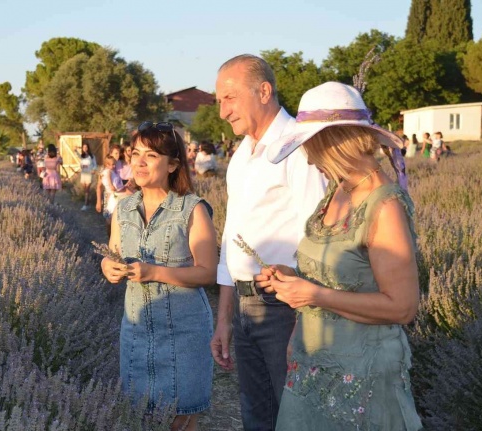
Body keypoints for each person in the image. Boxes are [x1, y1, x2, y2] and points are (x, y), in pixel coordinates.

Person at [257, 81, 421, 430]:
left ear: (329, 142)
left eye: (308, 145)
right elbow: (335, 275)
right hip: (312, 363)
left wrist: (313, 294)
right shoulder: (338, 190)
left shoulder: (383, 204)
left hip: (362, 374)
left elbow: (403, 307)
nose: (307, 156)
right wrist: (293, 277)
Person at [210, 54, 327, 431]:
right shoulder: (242, 156)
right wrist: (224, 319)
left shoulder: (299, 148)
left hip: (284, 309)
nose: (223, 112)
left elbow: (319, 240)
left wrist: (304, 321)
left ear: (264, 91)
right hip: (246, 307)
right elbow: (232, 242)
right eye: (218, 102)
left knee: (295, 416)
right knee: (256, 415)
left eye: (229, 98)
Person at [101, 121, 218, 431]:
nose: (138, 162)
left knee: (179, 419)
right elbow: (113, 252)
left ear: (173, 164)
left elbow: (207, 272)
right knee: (141, 416)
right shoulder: (123, 209)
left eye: (150, 155)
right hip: (137, 331)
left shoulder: (191, 209)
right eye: (135, 153)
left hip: (183, 331)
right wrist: (107, 267)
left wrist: (155, 272)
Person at [78, 142, 97, 210]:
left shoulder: (91, 156)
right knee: (84, 189)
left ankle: (85, 205)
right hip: (83, 173)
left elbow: (95, 165)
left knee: (87, 189)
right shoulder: (82, 156)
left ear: (88, 148)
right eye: (83, 147)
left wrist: (94, 170)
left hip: (89, 173)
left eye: (86, 147)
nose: (85, 149)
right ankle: (88, 202)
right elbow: (76, 153)